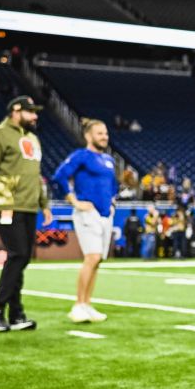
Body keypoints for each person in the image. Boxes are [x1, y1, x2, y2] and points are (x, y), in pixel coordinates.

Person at [0, 95, 52, 333]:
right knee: (18, 254)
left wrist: (44, 204)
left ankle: (16, 314)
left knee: (22, 257)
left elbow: (36, 175)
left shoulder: (33, 138)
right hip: (6, 204)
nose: (35, 116)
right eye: (30, 112)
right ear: (15, 111)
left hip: (29, 206)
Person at [52, 118, 118, 323]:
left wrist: (112, 203)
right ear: (88, 136)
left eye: (105, 133)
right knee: (92, 257)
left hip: (105, 215)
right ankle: (78, 305)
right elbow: (59, 176)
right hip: (87, 214)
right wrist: (75, 201)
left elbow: (112, 186)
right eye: (99, 133)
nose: (104, 137)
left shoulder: (109, 160)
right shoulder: (81, 156)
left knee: (97, 261)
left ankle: (87, 304)